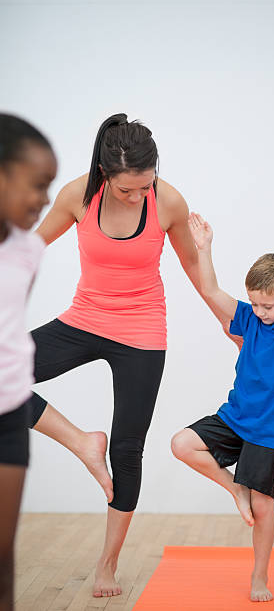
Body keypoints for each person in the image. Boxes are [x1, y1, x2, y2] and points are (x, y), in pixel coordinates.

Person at [27, 113, 240, 598]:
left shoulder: (168, 202)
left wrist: (232, 326)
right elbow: (30, 248)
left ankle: (107, 563)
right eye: (128, 190)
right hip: (83, 320)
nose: (138, 196)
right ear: (105, 175)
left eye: (145, 186)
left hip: (142, 332)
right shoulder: (79, 196)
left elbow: (196, 271)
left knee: (127, 450)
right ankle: (82, 442)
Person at [171, 213, 274, 602]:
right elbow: (210, 291)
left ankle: (259, 577)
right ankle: (234, 490)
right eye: (256, 303)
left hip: (272, 431)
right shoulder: (247, 317)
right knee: (181, 444)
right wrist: (204, 248)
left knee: (263, 506)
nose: (260, 312)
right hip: (236, 417)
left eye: (268, 305)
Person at [0, 113, 57, 611]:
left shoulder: (29, 251)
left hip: (8, 413)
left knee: (2, 552)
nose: (44, 200)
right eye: (37, 185)